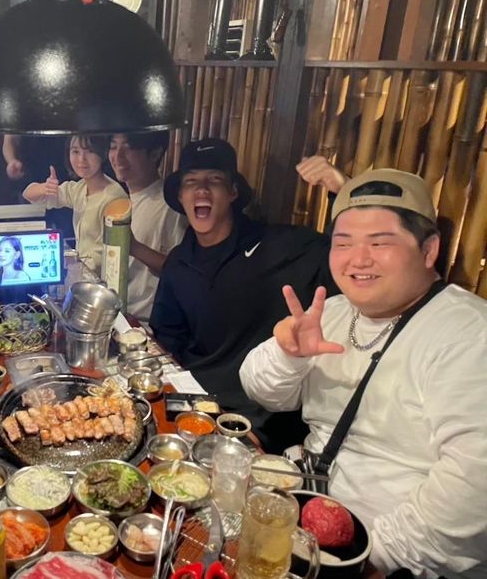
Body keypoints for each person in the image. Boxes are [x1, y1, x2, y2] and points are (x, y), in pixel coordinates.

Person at [240, 169, 487, 578]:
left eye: (380, 242)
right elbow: (262, 391)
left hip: (393, 556)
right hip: (303, 510)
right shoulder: (335, 312)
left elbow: (474, 484)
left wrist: (373, 558)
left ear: (429, 250)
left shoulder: (469, 333)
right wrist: (288, 356)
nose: (358, 259)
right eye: (343, 243)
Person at [150, 138, 336, 452]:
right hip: (195, 401)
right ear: (181, 196)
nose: (201, 190)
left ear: (233, 192)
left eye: (214, 180)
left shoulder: (282, 247)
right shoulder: (178, 263)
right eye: (191, 182)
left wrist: (340, 193)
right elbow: (168, 337)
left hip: (261, 416)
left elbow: (345, 254)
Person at [107, 132, 187, 322]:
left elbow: (182, 273)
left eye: (128, 147)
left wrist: (134, 247)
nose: (118, 156)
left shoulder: (170, 205)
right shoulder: (121, 200)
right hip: (118, 316)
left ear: (155, 153)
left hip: (146, 323)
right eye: (113, 146)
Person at [23, 135, 128, 274]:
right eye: (75, 151)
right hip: (84, 275)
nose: (81, 159)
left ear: (102, 153)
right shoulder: (80, 188)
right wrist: (45, 188)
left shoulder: (113, 197)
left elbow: (109, 255)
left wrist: (71, 265)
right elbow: (28, 194)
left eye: (90, 151)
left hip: (104, 280)